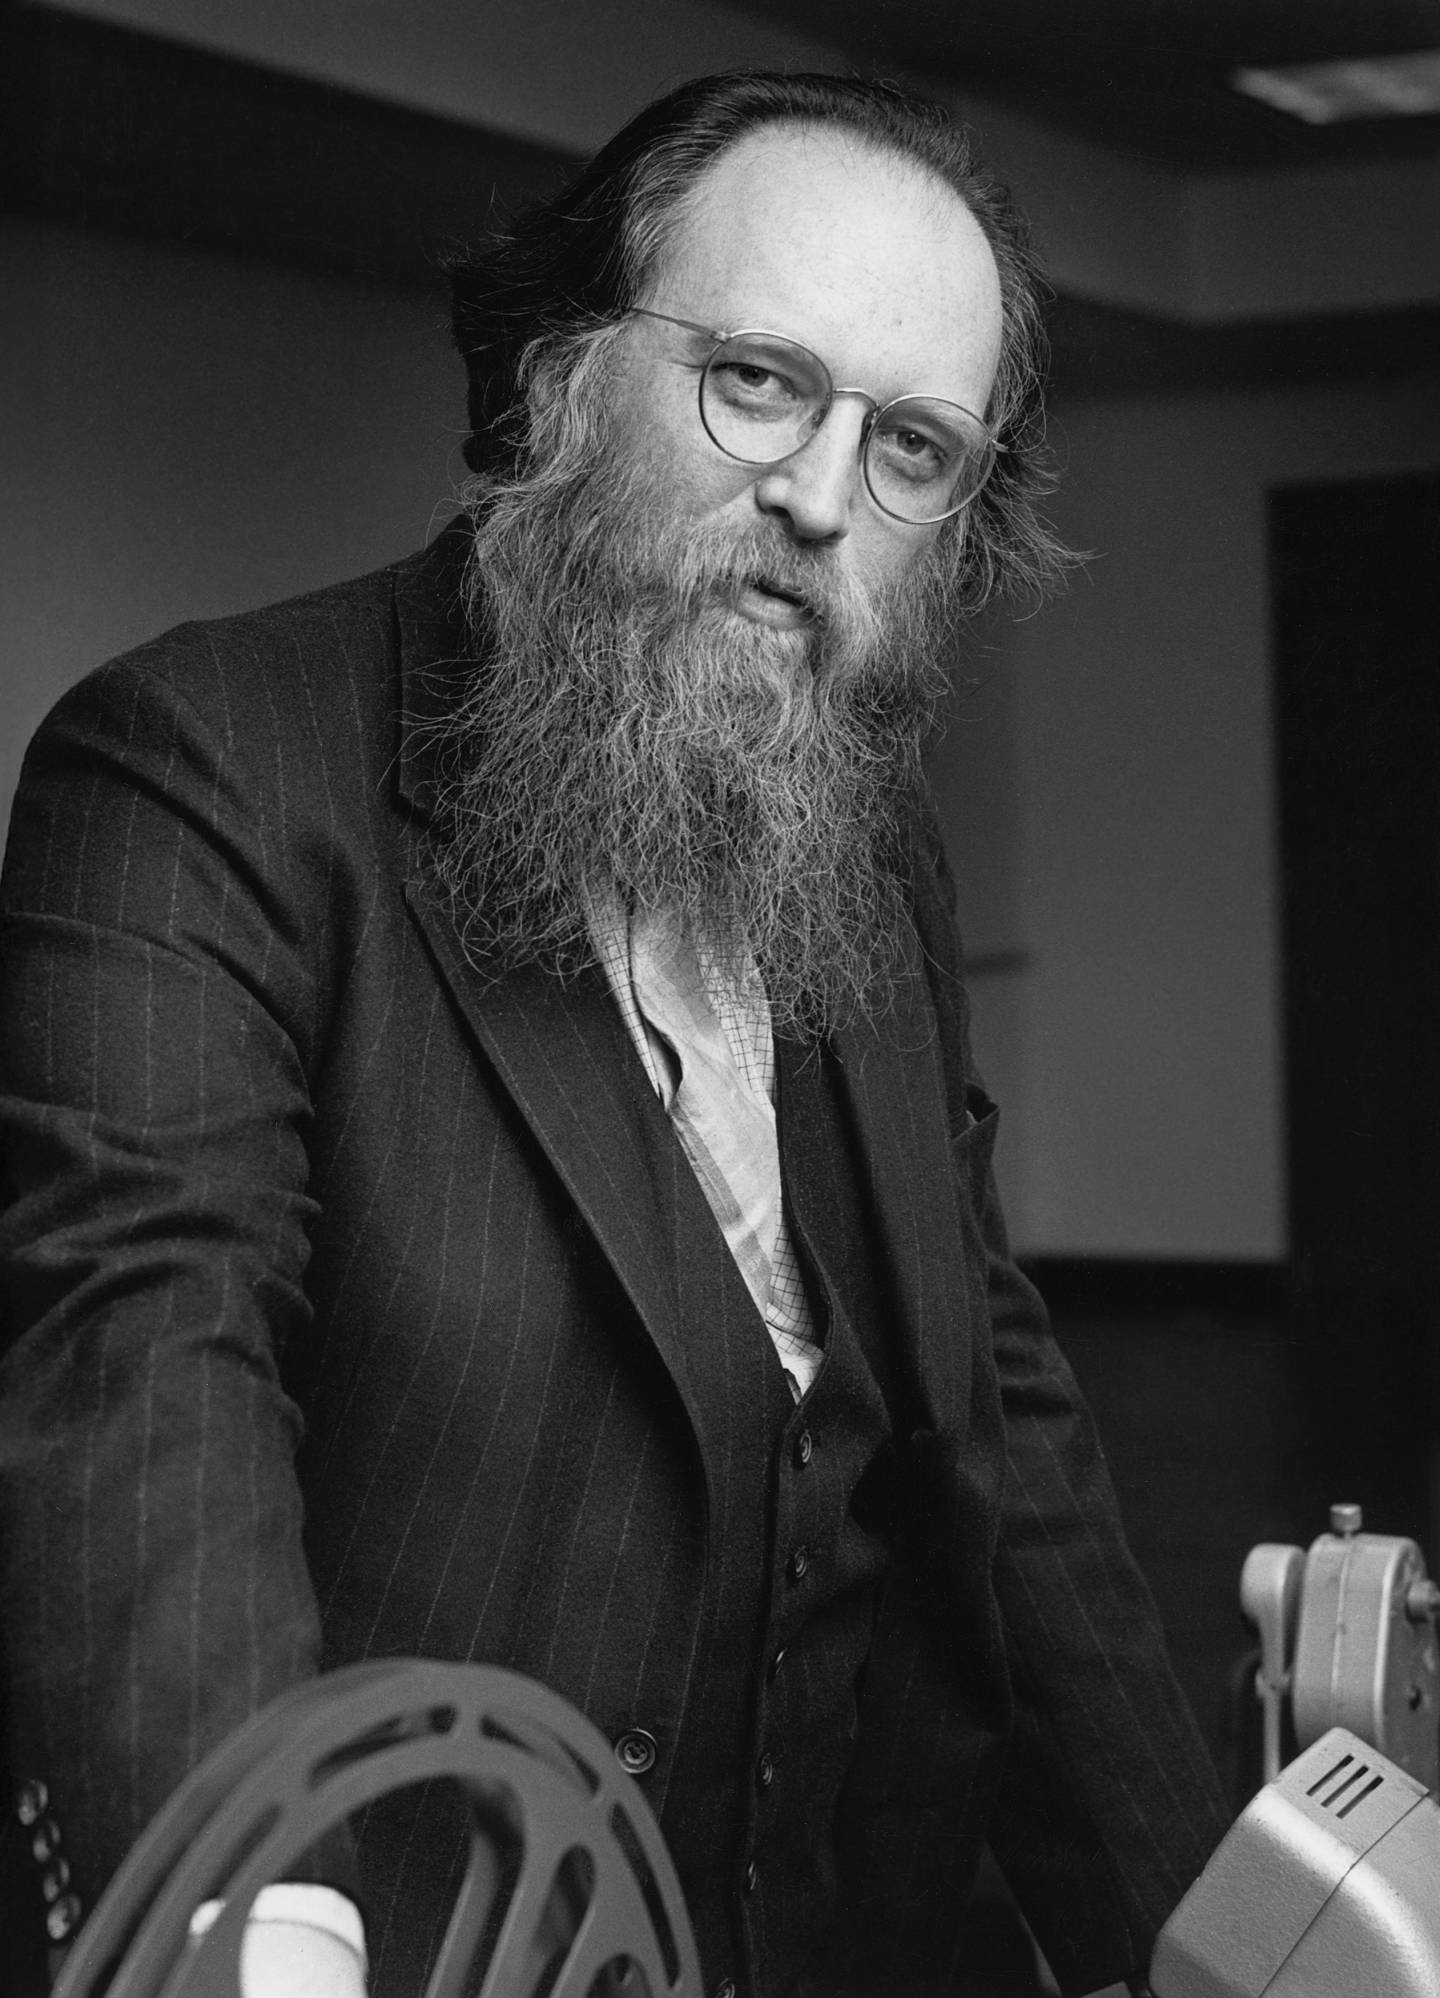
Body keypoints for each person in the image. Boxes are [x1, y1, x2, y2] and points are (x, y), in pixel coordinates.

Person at [0, 69, 1228, 1998]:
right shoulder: (203, 772)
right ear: (562, 371)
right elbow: (144, 1378)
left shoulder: (867, 842)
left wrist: (1212, 1943)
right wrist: (259, 1926)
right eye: (757, 379)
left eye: (911, 444)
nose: (822, 497)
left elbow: (992, 1416)